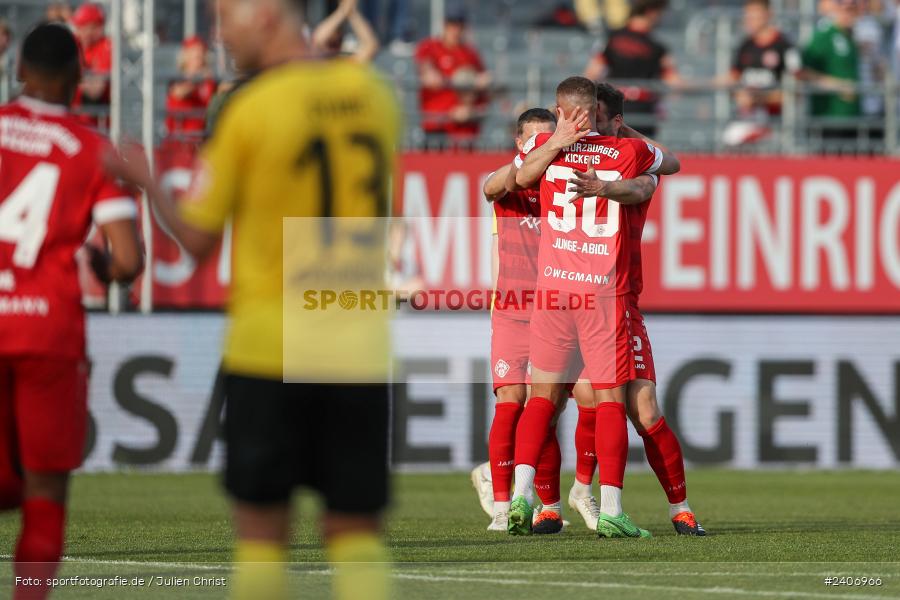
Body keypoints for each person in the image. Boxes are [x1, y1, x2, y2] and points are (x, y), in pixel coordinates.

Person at [104, 1, 399, 599]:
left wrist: (146, 180)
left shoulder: (250, 110)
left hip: (270, 344)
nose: (220, 36)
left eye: (226, 19)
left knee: (263, 534)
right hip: (357, 346)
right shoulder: (374, 96)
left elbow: (196, 239)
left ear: (267, 15)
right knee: (354, 531)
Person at [0, 23, 143, 600]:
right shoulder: (93, 152)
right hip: (49, 331)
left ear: (18, 73)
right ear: (80, 83)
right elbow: (128, 260)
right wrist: (106, 271)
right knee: (44, 493)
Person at [508, 76, 679, 538]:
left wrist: (559, 138)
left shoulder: (544, 144)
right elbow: (673, 163)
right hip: (601, 292)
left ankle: (520, 498)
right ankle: (612, 509)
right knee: (608, 401)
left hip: (553, 290)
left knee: (542, 398)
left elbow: (520, 179)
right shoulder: (629, 152)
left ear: (561, 111)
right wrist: (624, 142)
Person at [566, 83, 706, 537]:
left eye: (598, 118)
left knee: (644, 410)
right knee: (580, 398)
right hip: (570, 296)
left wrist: (608, 184)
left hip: (620, 300)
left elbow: (659, 173)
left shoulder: (631, 155)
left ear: (616, 122)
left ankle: (680, 508)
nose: (588, 127)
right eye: (583, 117)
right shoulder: (571, 151)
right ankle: (566, 493)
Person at [583, 0, 678, 138]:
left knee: (614, 156)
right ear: (652, 12)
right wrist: (715, 82)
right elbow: (674, 82)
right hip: (643, 111)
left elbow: (591, 74)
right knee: (643, 156)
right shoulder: (657, 47)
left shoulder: (611, 38)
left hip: (613, 108)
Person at [724, 0, 801, 147]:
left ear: (768, 14)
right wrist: (737, 94)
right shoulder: (745, 45)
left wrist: (762, 98)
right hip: (746, 118)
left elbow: (797, 91)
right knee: (729, 141)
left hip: (776, 123)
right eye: (747, 15)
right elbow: (732, 80)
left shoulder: (785, 46)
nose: (749, 19)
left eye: (755, 15)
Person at [414, 8, 491, 149]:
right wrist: (455, 81)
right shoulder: (430, 47)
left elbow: (483, 83)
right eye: (451, 24)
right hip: (437, 125)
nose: (455, 30)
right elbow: (428, 74)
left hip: (464, 128)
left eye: (459, 25)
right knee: (433, 167)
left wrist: (469, 109)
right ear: (444, 25)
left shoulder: (469, 53)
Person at [801, 0, 862, 142]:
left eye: (852, 10)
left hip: (852, 116)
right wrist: (839, 86)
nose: (849, 14)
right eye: (844, 8)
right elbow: (805, 71)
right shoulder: (824, 35)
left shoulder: (850, 36)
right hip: (829, 116)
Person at [165, 36, 217, 139]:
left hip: (202, 138)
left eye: (201, 51)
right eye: (194, 52)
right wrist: (198, 80)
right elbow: (178, 93)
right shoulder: (178, 78)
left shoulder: (209, 81)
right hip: (181, 138)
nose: (199, 55)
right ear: (186, 55)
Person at [71, 2, 112, 127]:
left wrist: (72, 75)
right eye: (79, 26)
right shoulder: (73, 42)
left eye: (85, 26)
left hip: (97, 123)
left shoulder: (106, 46)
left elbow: (96, 91)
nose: (81, 31)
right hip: (71, 118)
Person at [313, 0, 380, 63]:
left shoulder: (349, 64)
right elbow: (318, 38)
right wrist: (345, 10)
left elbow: (371, 46)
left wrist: (348, 10)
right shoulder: (325, 60)